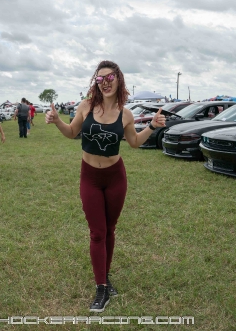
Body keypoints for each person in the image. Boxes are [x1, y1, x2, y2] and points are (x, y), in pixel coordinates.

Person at [45, 60, 166, 312]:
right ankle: (101, 288)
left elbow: (133, 142)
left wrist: (152, 127)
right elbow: (71, 133)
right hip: (89, 176)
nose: (106, 83)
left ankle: (105, 276)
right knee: (97, 232)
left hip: (115, 177)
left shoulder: (126, 113)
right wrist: (57, 121)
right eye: (100, 79)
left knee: (110, 229)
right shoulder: (86, 106)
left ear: (119, 79)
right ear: (95, 82)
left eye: (110, 77)